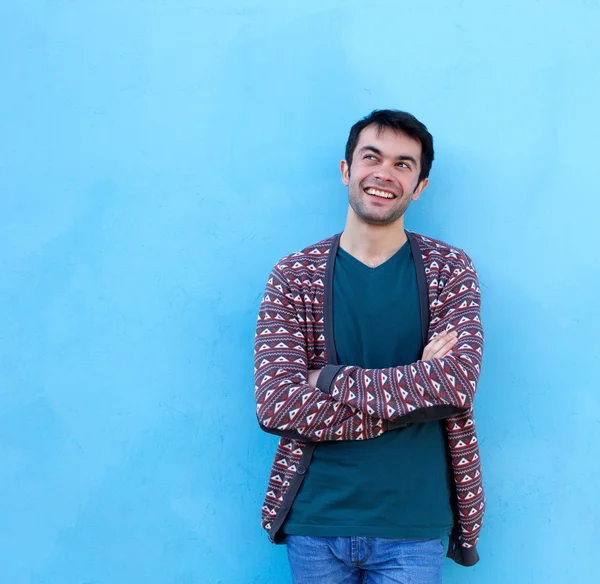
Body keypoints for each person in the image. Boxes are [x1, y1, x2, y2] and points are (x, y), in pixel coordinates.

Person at [254, 110, 485, 583]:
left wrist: (329, 378)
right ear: (346, 170)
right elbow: (277, 404)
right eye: (371, 157)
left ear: (419, 186)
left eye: (403, 164)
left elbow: (454, 385)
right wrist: (412, 394)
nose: (384, 173)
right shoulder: (294, 276)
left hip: (413, 525)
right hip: (316, 519)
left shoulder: (449, 270)